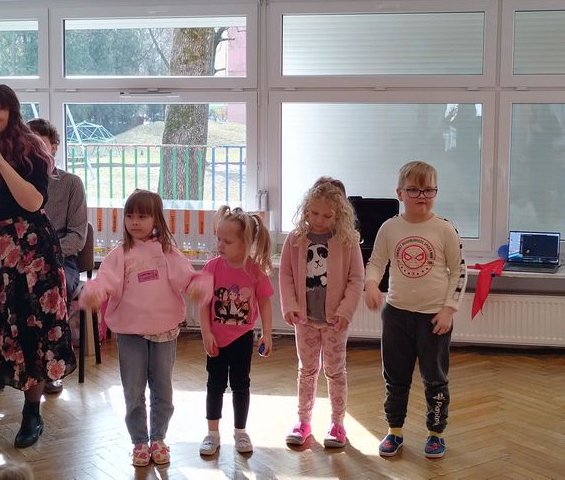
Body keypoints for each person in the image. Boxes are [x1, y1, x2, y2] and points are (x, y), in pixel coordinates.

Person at [0, 83, 76, 449]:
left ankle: (31, 414)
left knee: (31, 333)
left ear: (11, 112)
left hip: (32, 251)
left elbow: (33, 201)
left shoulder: (31, 150)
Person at [78, 189, 211, 467]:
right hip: (130, 334)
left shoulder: (168, 253)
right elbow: (104, 282)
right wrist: (93, 293)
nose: (135, 222)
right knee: (134, 390)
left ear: (156, 219)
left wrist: (198, 286)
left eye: (142, 216)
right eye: (129, 216)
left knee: (163, 390)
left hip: (164, 332)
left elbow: (188, 278)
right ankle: (139, 441)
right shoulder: (120, 254)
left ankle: (158, 438)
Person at [363, 160, 466, 459]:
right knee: (395, 378)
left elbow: (459, 271)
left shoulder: (445, 229)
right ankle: (394, 430)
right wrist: (371, 284)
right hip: (396, 315)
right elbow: (376, 262)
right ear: (400, 193)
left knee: (435, 379)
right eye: (414, 190)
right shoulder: (389, 228)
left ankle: (436, 433)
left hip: (434, 318)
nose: (422, 196)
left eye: (428, 190)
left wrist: (449, 309)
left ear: (436, 192)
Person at [279, 176, 364, 448]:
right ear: (306, 209)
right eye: (314, 213)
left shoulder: (348, 241)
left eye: (327, 216)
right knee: (306, 371)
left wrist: (345, 311)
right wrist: (290, 306)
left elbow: (356, 279)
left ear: (339, 215)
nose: (319, 220)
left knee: (335, 372)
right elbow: (286, 275)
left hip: (335, 323)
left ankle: (337, 424)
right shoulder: (295, 239)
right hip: (304, 320)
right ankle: (303, 422)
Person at [198, 206, 273, 456]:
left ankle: (240, 432)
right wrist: (206, 333)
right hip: (216, 340)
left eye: (227, 241)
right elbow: (204, 304)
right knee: (214, 385)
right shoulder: (211, 268)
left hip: (242, 338)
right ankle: (212, 433)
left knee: (241, 385)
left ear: (245, 243)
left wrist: (267, 333)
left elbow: (264, 302)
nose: (220, 245)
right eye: (218, 238)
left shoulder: (254, 270)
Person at [27, 118, 87, 395]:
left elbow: (78, 236)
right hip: (21, 259)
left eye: (40, 144)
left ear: (53, 147)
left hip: (60, 259)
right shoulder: (13, 181)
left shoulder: (70, 183)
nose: (34, 150)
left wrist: (46, 255)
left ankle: (50, 369)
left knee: (50, 291)